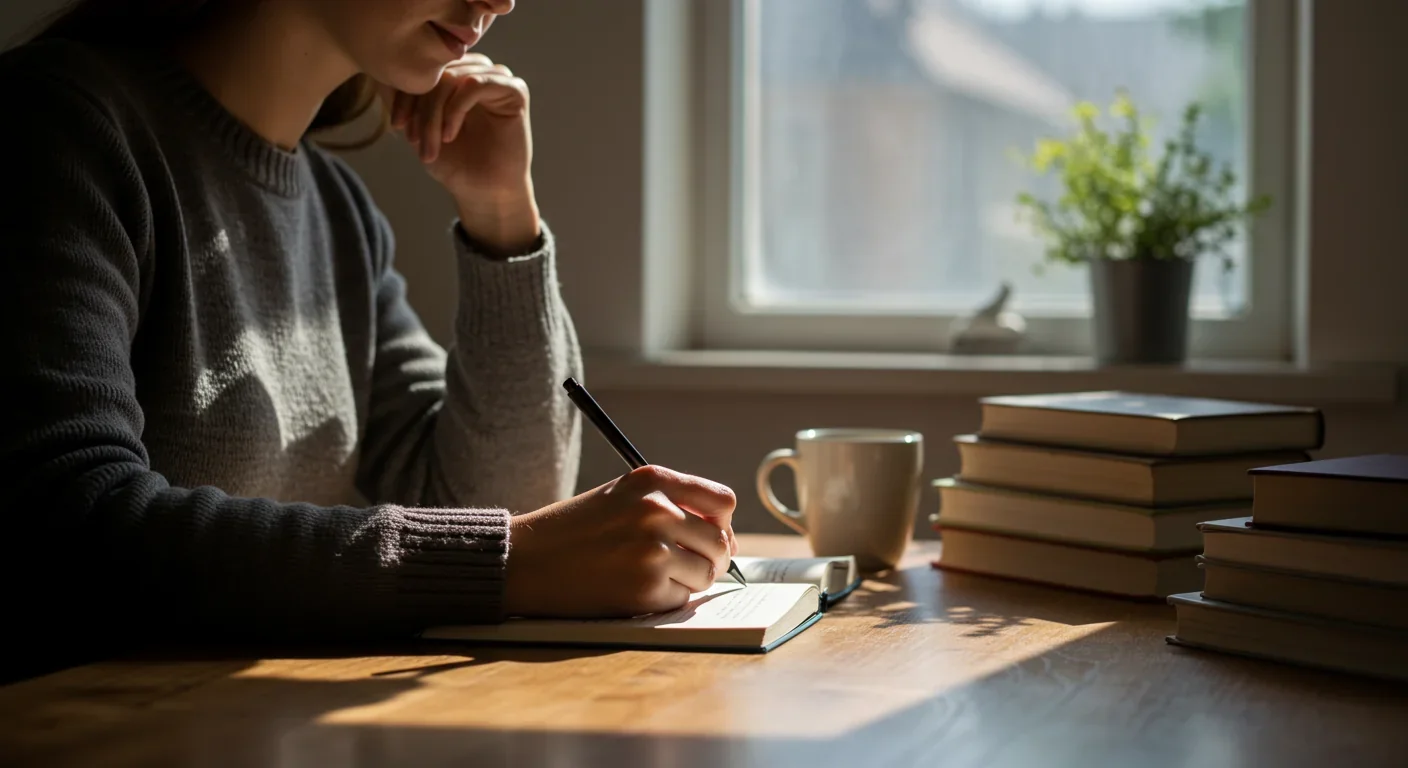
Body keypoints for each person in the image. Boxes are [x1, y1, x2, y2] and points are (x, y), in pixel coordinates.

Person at [0, 0, 737, 681]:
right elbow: (69, 527)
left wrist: (503, 213)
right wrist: (512, 560)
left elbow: (495, 499)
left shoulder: (337, 209)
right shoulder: (56, 127)